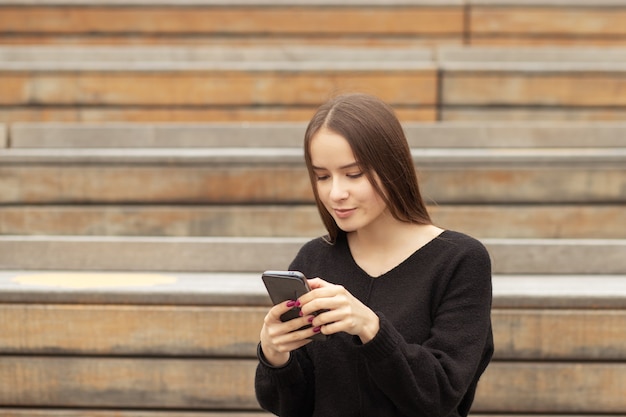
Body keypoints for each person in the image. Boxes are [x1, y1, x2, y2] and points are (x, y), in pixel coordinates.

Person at [255, 93, 494, 417]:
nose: (336, 193)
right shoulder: (314, 260)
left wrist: (371, 327)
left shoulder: (460, 261)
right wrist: (274, 355)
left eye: (354, 174)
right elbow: (293, 407)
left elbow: (439, 395)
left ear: (392, 167)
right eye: (322, 176)